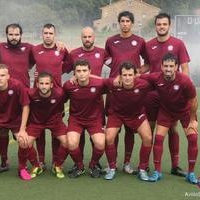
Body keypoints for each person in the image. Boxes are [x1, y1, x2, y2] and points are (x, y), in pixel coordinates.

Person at [143, 13, 191, 177]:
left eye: (164, 24)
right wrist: (132, 73)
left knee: (172, 128)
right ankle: (147, 166)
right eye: (159, 24)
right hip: (152, 94)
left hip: (171, 94)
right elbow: (147, 66)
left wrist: (183, 89)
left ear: (169, 25)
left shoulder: (178, 44)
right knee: (149, 129)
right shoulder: (149, 45)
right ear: (155, 26)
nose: (161, 27)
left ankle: (175, 165)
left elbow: (184, 68)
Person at [140, 53, 198, 184]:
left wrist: (193, 120)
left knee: (193, 138)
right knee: (159, 138)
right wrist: (122, 76)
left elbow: (193, 101)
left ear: (176, 67)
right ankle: (157, 172)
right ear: (161, 66)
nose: (168, 69)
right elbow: (139, 76)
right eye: (165, 66)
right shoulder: (156, 77)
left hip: (185, 112)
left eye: (171, 66)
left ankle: (191, 173)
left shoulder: (184, 80)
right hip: (166, 112)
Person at [105, 11, 148, 174]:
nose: (124, 23)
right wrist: (116, 72)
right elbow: (106, 59)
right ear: (119, 23)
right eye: (122, 21)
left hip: (132, 90)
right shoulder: (110, 41)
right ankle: (112, 164)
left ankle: (127, 163)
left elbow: (148, 63)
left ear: (132, 23)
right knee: (113, 128)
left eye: (127, 21)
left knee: (130, 129)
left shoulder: (139, 41)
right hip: (115, 89)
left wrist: (138, 73)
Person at [64, 26, 111, 174]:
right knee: (75, 141)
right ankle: (79, 164)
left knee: (98, 141)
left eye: (90, 36)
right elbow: (62, 68)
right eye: (85, 37)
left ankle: (94, 164)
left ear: (94, 37)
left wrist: (135, 73)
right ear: (81, 37)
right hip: (77, 111)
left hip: (95, 106)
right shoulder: (74, 54)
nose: (87, 39)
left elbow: (116, 67)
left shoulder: (102, 53)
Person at [0, 23, 34, 171]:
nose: (14, 37)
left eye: (17, 34)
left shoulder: (29, 48)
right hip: (3, 97)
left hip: (22, 97)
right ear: (6, 35)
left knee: (24, 132)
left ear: (21, 35)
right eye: (11, 34)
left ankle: (30, 162)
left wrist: (58, 43)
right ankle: (4, 161)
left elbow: (43, 56)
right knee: (3, 130)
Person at [104, 62, 152, 181]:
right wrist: (74, 77)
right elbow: (98, 79)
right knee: (109, 137)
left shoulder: (144, 84)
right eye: (124, 75)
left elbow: (158, 78)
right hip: (117, 114)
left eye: (130, 75)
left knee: (148, 138)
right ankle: (112, 168)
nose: (127, 77)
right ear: (119, 76)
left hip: (137, 115)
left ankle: (142, 169)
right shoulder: (113, 83)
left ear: (135, 75)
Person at [31, 23, 68, 170]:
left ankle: (55, 159)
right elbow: (26, 64)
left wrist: (58, 73)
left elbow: (70, 64)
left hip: (56, 97)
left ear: (55, 34)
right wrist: (35, 75)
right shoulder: (34, 50)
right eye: (45, 33)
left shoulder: (62, 50)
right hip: (39, 95)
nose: (48, 35)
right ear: (42, 34)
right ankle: (41, 160)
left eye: (50, 33)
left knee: (56, 129)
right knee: (39, 130)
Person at [63, 59, 106, 178]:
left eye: (84, 71)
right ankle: (80, 166)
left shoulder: (99, 84)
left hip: (94, 120)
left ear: (89, 71)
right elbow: (62, 99)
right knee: (71, 143)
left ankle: (93, 165)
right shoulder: (68, 86)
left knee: (100, 143)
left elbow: (112, 83)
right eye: (78, 71)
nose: (81, 73)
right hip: (76, 119)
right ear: (74, 73)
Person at [26, 72, 68, 179]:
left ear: (51, 85)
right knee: (26, 142)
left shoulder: (59, 94)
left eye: (46, 83)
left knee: (68, 142)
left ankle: (57, 165)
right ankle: (37, 165)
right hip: (36, 122)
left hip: (55, 121)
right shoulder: (30, 93)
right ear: (37, 84)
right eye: (41, 83)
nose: (44, 86)